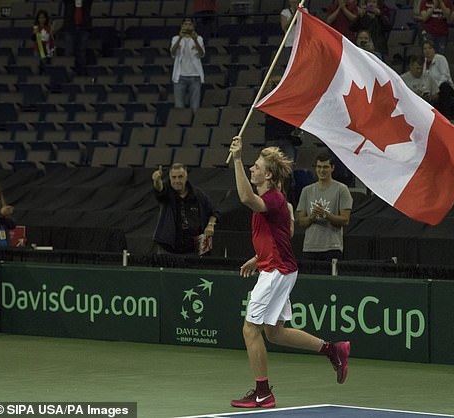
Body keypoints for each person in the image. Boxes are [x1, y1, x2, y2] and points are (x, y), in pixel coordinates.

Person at [228, 136, 350, 408]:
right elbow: (281, 235)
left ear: (268, 174)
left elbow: (246, 197)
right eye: (251, 165)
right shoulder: (275, 200)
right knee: (274, 332)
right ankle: (333, 349)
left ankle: (263, 393)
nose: (251, 169)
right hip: (276, 267)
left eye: (256, 166)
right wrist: (256, 257)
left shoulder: (272, 198)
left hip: (276, 271)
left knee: (250, 329)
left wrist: (237, 158)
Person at [296, 152, 353, 261]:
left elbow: (345, 220)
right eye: (319, 167)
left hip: (332, 248)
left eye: (325, 167)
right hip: (309, 248)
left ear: (332, 168)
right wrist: (311, 217)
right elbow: (301, 221)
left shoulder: (341, 189)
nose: (322, 170)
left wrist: (326, 215)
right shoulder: (306, 191)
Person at [151, 163, 218, 255]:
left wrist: (210, 224)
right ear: (170, 178)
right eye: (174, 177)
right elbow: (159, 190)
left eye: (180, 177)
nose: (177, 180)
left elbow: (214, 211)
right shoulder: (167, 192)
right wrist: (157, 180)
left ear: (186, 177)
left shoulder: (198, 194)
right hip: (168, 248)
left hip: (195, 247)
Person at [171, 17, 205, 111]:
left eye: (190, 24)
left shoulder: (199, 38)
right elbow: (173, 53)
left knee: (195, 107)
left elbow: (201, 54)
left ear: (193, 26)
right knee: (179, 107)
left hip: (195, 76)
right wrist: (180, 38)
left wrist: (195, 40)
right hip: (180, 76)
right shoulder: (175, 38)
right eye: (185, 24)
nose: (187, 26)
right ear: (182, 26)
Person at [61, 0, 93, 76]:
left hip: (83, 27)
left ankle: (81, 74)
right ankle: (68, 74)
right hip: (70, 27)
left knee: (81, 53)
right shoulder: (69, 2)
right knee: (69, 52)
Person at [0, 182, 15, 247]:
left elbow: (12, 226)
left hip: (5, 243)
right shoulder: (1, 212)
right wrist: (1, 214)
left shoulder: (3, 209)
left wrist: (7, 216)